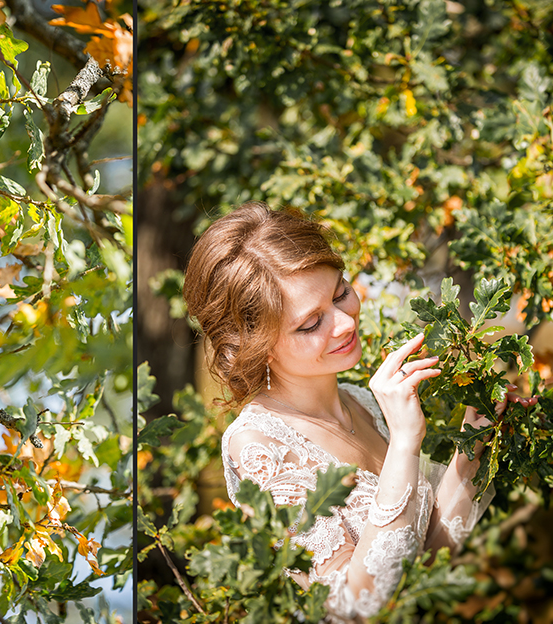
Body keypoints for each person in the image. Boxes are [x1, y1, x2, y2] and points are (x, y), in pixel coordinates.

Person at [182, 202, 537, 621]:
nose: (345, 323)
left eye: (340, 293)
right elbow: (353, 611)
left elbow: (424, 564)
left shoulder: (363, 401)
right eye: (311, 323)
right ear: (253, 345)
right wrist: (406, 443)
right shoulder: (257, 444)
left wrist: (473, 441)